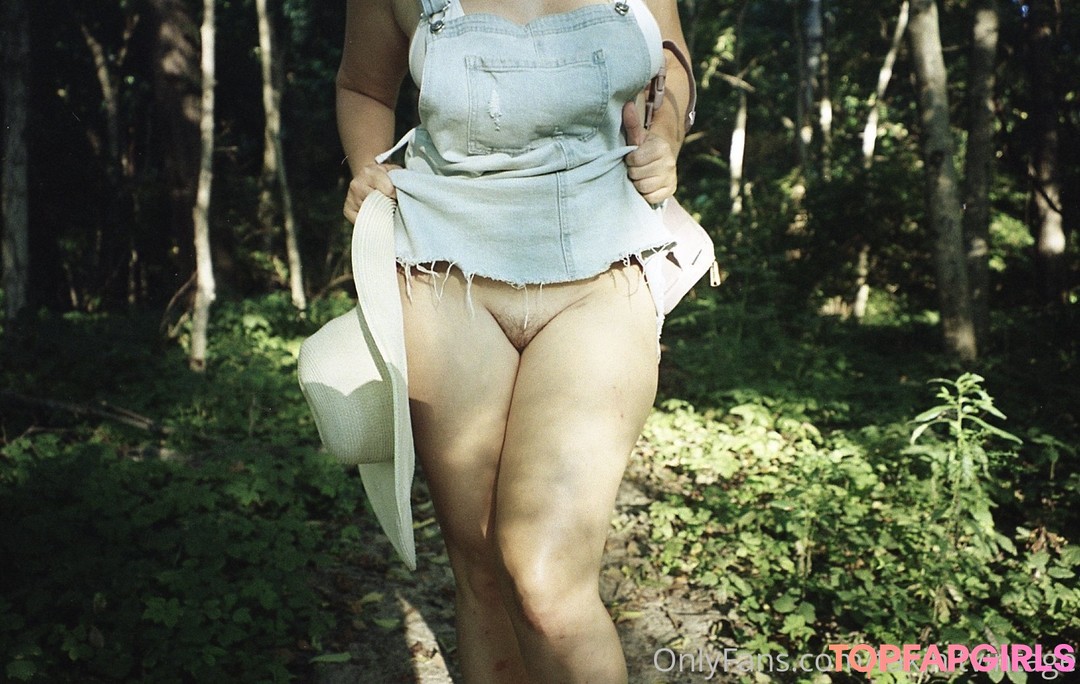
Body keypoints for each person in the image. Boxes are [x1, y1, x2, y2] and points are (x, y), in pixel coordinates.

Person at [336, 0, 692, 680]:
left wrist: (665, 135)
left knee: (545, 578)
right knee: (480, 569)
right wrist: (366, 166)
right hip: (444, 274)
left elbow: (670, 60)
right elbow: (362, 86)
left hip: (602, 269)